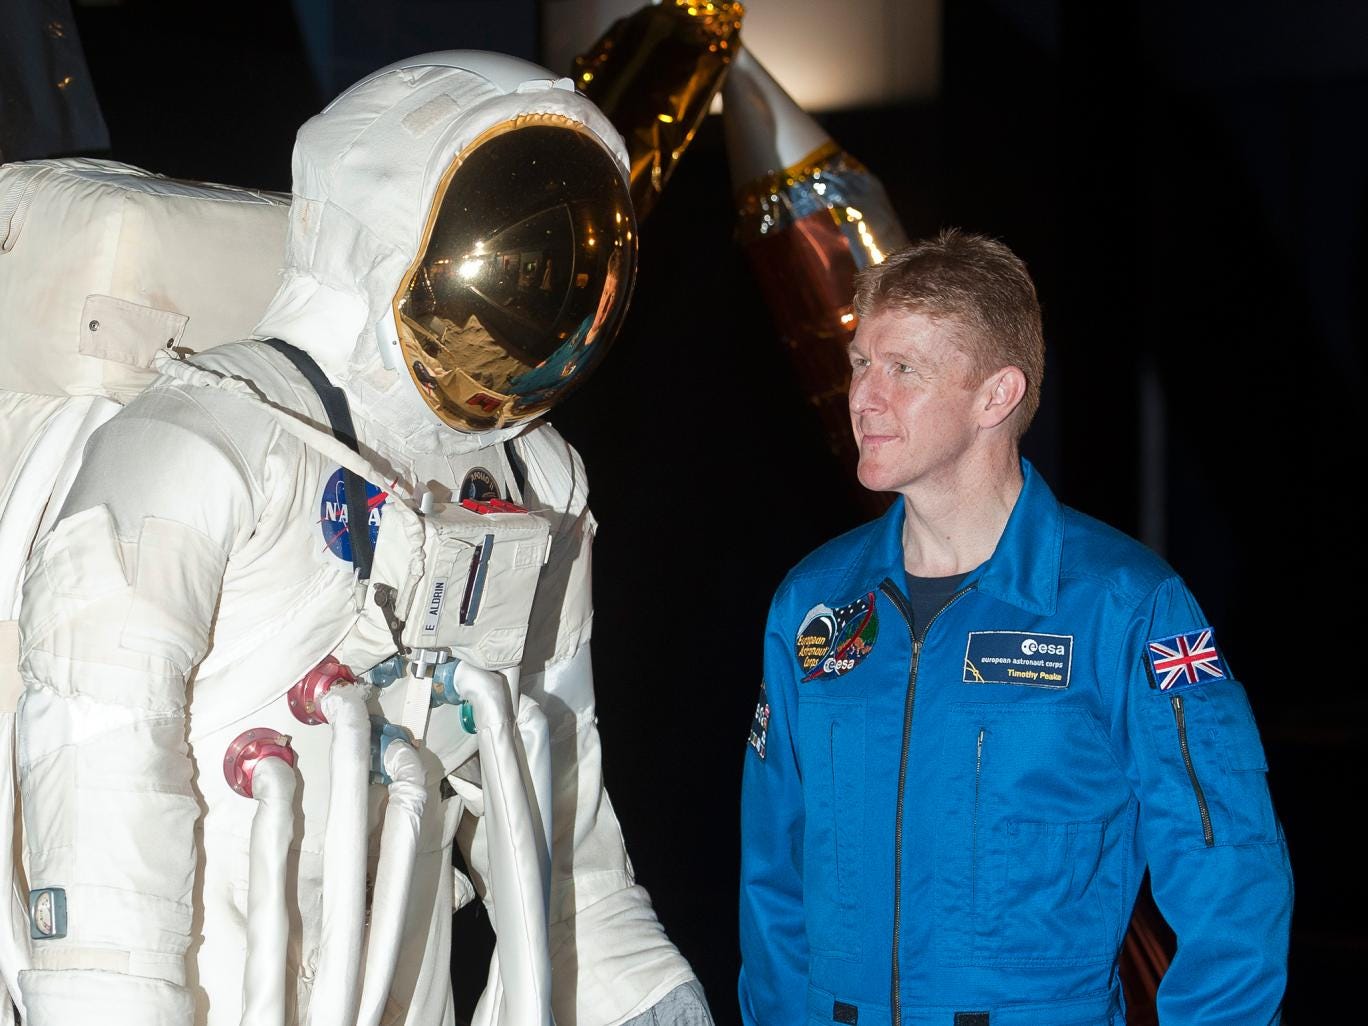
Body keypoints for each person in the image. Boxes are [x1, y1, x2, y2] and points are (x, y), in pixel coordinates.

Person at [13, 51, 712, 1026]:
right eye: (512, 257)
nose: (532, 297)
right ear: (384, 232)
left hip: (397, 975)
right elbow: (98, 748)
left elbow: (548, 759)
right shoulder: (209, 440)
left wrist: (624, 973)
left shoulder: (532, 481)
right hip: (211, 979)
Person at [738, 229, 1292, 1025]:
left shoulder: (1123, 606)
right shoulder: (813, 603)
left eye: (903, 370)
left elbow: (1231, 881)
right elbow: (774, 876)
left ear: (996, 396)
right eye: (861, 363)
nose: (863, 397)